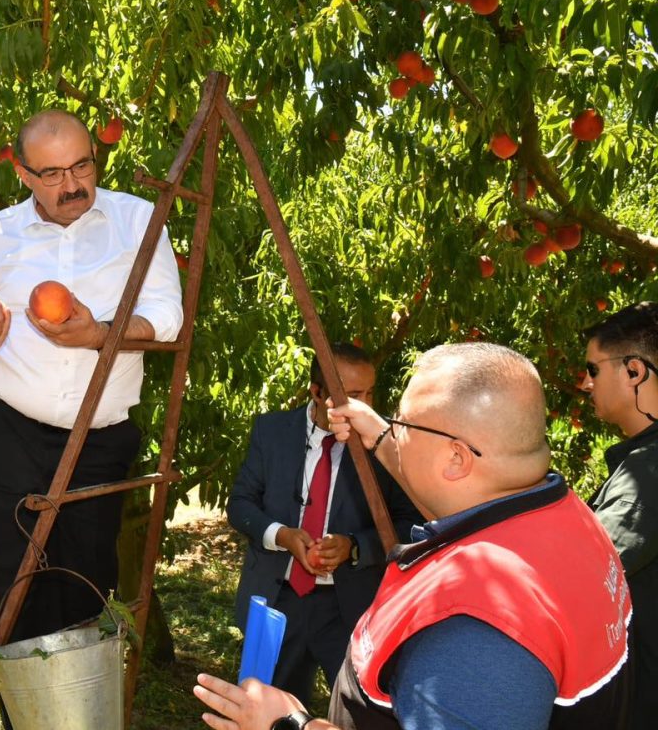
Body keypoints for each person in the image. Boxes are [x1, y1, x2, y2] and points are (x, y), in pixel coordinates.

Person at [196, 343, 632, 730]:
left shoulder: (475, 629)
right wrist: (383, 437)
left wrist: (289, 724)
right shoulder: (573, 521)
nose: (392, 432)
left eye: (402, 424)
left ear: (456, 458)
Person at [0, 108, 183, 649]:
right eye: (52, 174)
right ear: (24, 175)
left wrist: (101, 334)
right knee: (13, 593)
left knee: (85, 595)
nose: (72, 185)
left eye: (82, 167)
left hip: (98, 440)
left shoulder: (139, 221)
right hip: (9, 433)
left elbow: (168, 317)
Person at [227, 343, 419, 706]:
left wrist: (355, 545)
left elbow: (409, 524)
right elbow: (240, 504)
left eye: (369, 394)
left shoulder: (384, 448)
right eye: (353, 396)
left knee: (358, 711)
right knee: (265, 708)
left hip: (348, 605)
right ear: (318, 392)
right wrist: (280, 535)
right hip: (279, 599)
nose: (364, 407)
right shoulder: (272, 432)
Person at [582, 302, 658, 730]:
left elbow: (586, 574)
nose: (586, 383)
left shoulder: (648, 474)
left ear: (634, 371)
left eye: (593, 369)